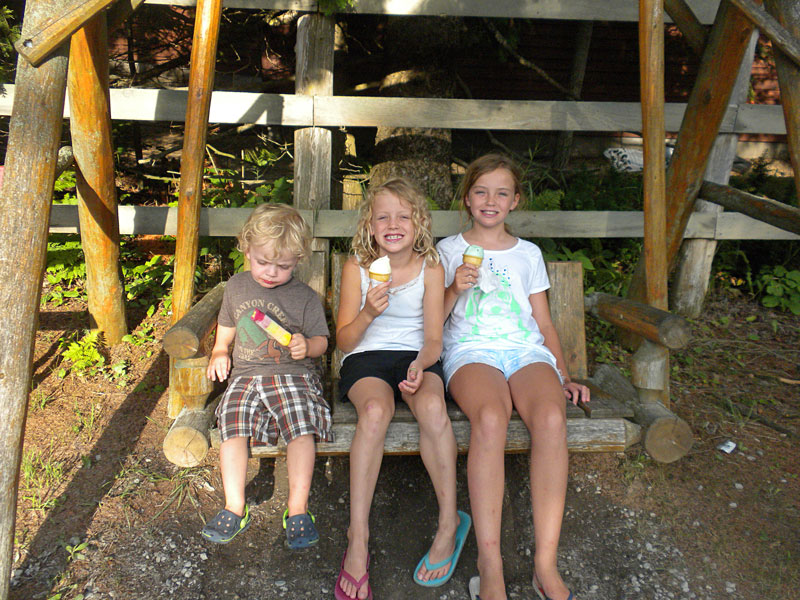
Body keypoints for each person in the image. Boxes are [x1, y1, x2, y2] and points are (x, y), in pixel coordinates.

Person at [436, 154, 589, 600]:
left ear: (515, 200)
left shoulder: (529, 254)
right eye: (481, 191)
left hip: (525, 352)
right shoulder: (447, 251)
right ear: (467, 198)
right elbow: (435, 322)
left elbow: (542, 322)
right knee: (489, 418)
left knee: (552, 419)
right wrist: (453, 287)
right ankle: (491, 565)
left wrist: (562, 373)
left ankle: (545, 564)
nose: (491, 200)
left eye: (502, 192)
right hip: (470, 350)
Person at [335, 178, 471, 600]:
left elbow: (434, 338)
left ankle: (449, 523)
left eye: (403, 216)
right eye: (383, 216)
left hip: (415, 356)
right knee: (375, 412)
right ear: (370, 225)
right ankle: (358, 538)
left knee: (431, 407)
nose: (393, 224)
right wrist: (368, 313)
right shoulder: (356, 266)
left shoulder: (431, 266)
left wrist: (420, 365)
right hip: (367, 357)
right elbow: (344, 340)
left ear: (418, 222)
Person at [201, 203, 331, 549]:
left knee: (301, 425)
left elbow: (322, 340)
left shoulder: (304, 297)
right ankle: (234, 505)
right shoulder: (237, 287)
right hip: (245, 377)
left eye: (283, 266)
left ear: (297, 261)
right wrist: (218, 350)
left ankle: (298, 508)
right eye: (263, 262)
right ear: (246, 249)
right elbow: (227, 326)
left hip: (293, 376)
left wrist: (308, 346)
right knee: (232, 422)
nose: (271, 272)